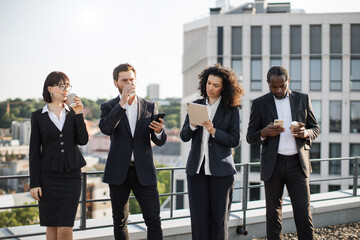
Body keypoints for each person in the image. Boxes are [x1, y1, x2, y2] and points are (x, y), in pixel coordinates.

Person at [246, 66, 320, 240]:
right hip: (273, 165)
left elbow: (315, 128)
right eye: (274, 87)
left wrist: (306, 133)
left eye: (282, 86)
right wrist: (265, 132)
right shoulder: (259, 104)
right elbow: (250, 137)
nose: (278, 90)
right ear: (268, 84)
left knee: (303, 214)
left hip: (298, 164)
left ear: (288, 82)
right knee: (273, 216)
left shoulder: (303, 99)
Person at [99, 63, 167, 240]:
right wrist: (122, 103)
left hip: (143, 171)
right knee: (120, 221)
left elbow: (159, 141)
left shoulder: (150, 106)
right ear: (116, 83)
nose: (129, 83)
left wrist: (159, 131)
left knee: (153, 220)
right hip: (118, 172)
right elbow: (106, 129)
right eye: (124, 80)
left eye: (132, 79)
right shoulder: (108, 106)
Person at [180, 63, 244, 240]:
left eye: (216, 85)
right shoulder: (195, 105)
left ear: (224, 87)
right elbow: (184, 136)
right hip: (196, 171)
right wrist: (193, 124)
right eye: (209, 83)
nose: (211, 88)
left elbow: (234, 140)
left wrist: (214, 131)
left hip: (221, 173)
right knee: (199, 220)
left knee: (219, 221)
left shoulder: (231, 110)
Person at [29, 71, 88, 240]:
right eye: (61, 86)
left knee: (65, 229)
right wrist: (35, 183)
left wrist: (79, 114)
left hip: (71, 177)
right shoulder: (38, 116)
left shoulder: (73, 113)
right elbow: (34, 152)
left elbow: (83, 140)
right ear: (50, 89)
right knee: (52, 227)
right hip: (48, 178)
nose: (65, 89)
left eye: (67, 85)